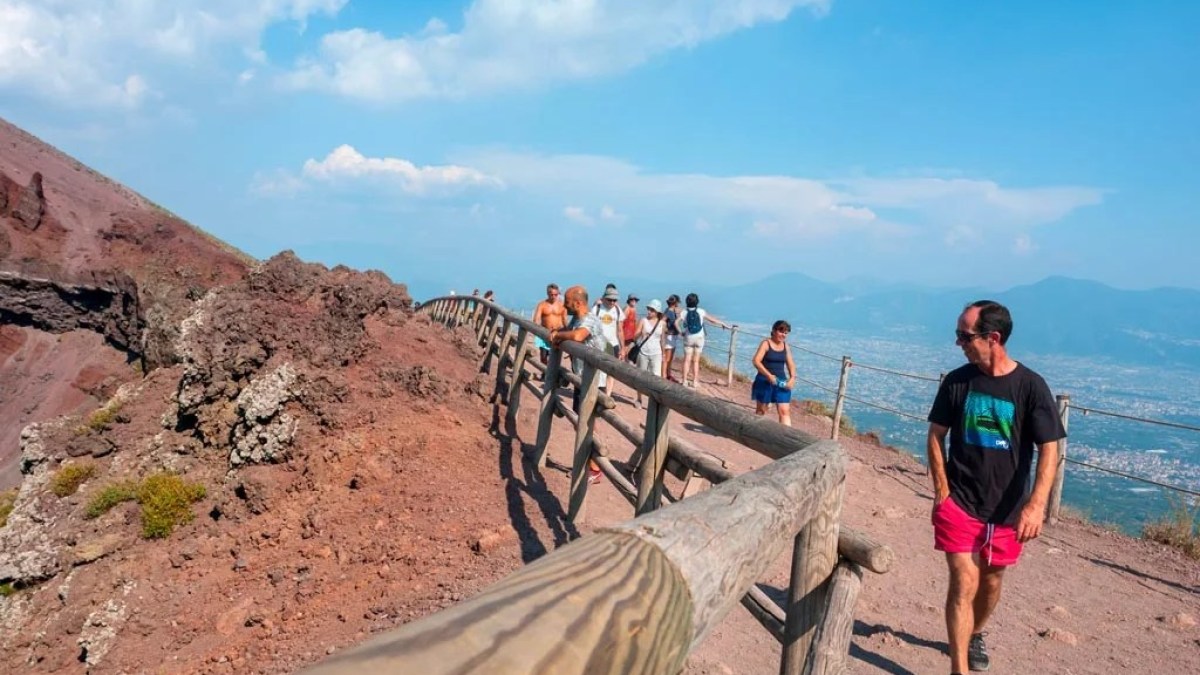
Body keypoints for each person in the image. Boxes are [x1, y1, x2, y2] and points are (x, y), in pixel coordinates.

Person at [927, 300, 1065, 675]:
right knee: (963, 580)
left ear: (993, 338)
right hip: (961, 503)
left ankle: (976, 633)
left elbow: (1049, 448)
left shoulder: (1030, 386)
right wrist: (942, 489)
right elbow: (936, 435)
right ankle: (959, 669)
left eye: (964, 335)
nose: (958, 343)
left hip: (1007, 510)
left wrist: (1036, 505)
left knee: (991, 582)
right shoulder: (957, 382)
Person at [550, 285, 608, 484]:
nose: (565, 306)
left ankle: (595, 467)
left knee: (588, 423)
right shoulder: (577, 319)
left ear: (578, 303)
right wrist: (558, 334)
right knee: (582, 422)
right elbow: (567, 332)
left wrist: (558, 336)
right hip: (581, 378)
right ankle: (588, 463)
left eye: (567, 302)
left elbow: (576, 336)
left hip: (593, 382)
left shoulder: (589, 320)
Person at [676, 292, 730, 388]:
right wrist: (722, 323)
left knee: (687, 360)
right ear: (697, 302)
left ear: (687, 302)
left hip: (688, 337)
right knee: (696, 361)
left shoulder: (684, 312)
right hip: (699, 337)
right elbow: (712, 320)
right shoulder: (701, 311)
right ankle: (695, 382)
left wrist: (681, 333)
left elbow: (676, 323)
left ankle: (684, 381)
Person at [751, 320, 796, 426]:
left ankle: (785, 438)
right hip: (764, 381)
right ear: (774, 331)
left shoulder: (786, 346)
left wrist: (792, 378)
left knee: (784, 411)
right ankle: (755, 433)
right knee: (762, 410)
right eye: (781, 331)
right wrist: (768, 375)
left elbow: (791, 364)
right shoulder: (766, 344)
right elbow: (756, 361)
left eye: (786, 333)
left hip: (781, 382)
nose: (783, 335)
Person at [631, 299, 666, 409]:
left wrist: (664, 353)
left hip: (656, 353)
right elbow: (634, 336)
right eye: (649, 309)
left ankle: (654, 401)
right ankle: (639, 399)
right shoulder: (643, 321)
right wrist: (641, 334)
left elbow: (663, 339)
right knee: (641, 376)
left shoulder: (662, 323)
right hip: (643, 352)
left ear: (657, 312)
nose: (649, 312)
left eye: (652, 310)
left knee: (656, 377)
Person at [592, 285, 624, 394]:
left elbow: (620, 330)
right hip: (598, 344)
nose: (612, 302)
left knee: (611, 371)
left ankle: (607, 394)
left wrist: (622, 348)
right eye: (610, 300)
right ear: (604, 298)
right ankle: (596, 392)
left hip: (612, 344)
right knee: (597, 369)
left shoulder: (618, 310)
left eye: (614, 300)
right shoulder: (597, 308)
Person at [532, 284, 567, 364]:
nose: (554, 296)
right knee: (543, 357)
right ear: (548, 293)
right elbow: (536, 318)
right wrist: (537, 329)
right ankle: (545, 373)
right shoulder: (542, 304)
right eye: (551, 295)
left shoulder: (562, 305)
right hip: (545, 333)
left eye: (556, 294)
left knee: (555, 356)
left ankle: (550, 374)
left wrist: (567, 331)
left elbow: (564, 320)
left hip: (557, 333)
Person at [661, 294, 683, 382]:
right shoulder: (669, 312)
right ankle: (664, 375)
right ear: (675, 302)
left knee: (669, 358)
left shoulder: (669, 310)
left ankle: (668, 374)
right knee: (667, 358)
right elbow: (662, 321)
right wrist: (666, 331)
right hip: (669, 336)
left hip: (672, 336)